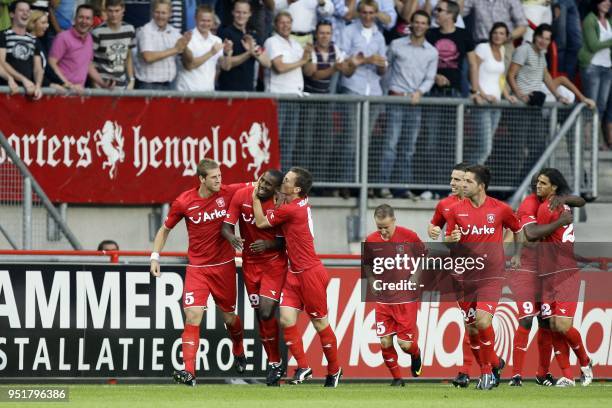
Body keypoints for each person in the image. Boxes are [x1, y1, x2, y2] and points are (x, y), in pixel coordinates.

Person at [150, 159, 249, 386]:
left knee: (229, 317)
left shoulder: (229, 192)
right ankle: (190, 373)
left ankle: (238, 348)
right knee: (193, 316)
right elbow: (165, 230)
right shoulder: (184, 201)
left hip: (224, 266)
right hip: (197, 268)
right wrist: (155, 256)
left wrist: (282, 191)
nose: (219, 180)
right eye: (214, 177)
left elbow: (256, 185)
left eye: (220, 176)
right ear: (202, 179)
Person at [251, 167, 343, 388]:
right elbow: (285, 199)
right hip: (294, 273)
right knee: (286, 320)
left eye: (288, 180)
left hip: (311, 273)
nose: (284, 180)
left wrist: (255, 195)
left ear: (298, 188)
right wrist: (281, 195)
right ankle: (303, 367)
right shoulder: (300, 201)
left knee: (320, 324)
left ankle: (335, 370)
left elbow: (261, 222)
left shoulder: (293, 210)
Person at [445, 165, 521, 390]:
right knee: (473, 329)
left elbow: (517, 229)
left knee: (482, 321)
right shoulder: (455, 210)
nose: (463, 185)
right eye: (462, 181)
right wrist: (452, 238)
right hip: (466, 276)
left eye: (468, 181)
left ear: (481, 186)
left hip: (491, 276)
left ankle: (486, 373)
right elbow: (448, 240)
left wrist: (516, 253)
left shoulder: (500, 209)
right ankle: (496, 363)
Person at [510, 175, 585, 386]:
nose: (537, 185)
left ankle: (542, 373)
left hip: (548, 270)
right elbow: (529, 234)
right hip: (527, 269)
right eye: (535, 182)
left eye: (542, 182)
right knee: (526, 319)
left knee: (546, 323)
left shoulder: (551, 201)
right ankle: (516, 375)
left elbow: (580, 201)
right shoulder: (529, 204)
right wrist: (516, 254)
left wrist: (565, 198)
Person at [222, 169, 288, 386]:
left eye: (269, 185)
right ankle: (273, 364)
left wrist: (267, 244)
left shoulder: (279, 205)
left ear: (276, 190)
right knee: (261, 315)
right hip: (250, 265)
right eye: (262, 181)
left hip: (273, 264)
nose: (263, 186)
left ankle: (276, 362)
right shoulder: (242, 195)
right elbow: (226, 226)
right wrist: (232, 238)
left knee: (268, 310)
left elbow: (283, 241)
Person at [507, 23, 595, 179]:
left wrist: (558, 96)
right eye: (541, 37)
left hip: (535, 107)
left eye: (547, 39)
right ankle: (513, 188)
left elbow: (546, 76)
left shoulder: (541, 54)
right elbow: (511, 74)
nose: (543, 41)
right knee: (516, 150)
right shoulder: (523, 50)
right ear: (535, 36)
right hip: (520, 109)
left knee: (539, 148)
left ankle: (523, 182)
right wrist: (520, 95)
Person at [427, 162, 479, 388]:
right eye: (452, 178)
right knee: (472, 321)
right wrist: (433, 231)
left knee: (476, 321)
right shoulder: (445, 204)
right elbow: (434, 228)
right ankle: (492, 363)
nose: (452, 183)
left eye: (458, 179)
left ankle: (466, 370)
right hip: (459, 269)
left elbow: (507, 227)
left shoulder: (483, 204)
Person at [378, 10, 437, 199]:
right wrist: (386, 95)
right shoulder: (396, 45)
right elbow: (385, 71)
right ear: (411, 24)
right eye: (416, 22)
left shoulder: (432, 52)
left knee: (408, 148)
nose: (419, 26)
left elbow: (430, 78)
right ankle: (383, 186)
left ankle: (401, 188)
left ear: (428, 26)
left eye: (423, 23)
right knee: (390, 145)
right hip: (395, 98)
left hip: (415, 102)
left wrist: (420, 92)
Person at [364, 204, 424, 386]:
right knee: (384, 341)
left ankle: (415, 353)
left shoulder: (409, 236)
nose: (383, 232)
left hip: (405, 299)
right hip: (383, 300)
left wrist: (416, 275)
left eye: (386, 228)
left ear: (394, 221)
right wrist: (372, 280)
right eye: (379, 228)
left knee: (405, 344)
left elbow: (423, 256)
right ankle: (397, 378)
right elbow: (367, 263)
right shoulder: (371, 241)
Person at [263, 11, 312, 171]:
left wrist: (309, 56)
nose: (285, 26)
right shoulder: (272, 41)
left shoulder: (296, 44)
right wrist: (302, 60)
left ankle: (283, 177)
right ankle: (270, 176)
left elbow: (308, 70)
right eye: (282, 22)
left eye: (288, 22)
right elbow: (280, 67)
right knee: (274, 140)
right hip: (278, 97)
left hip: (295, 96)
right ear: (276, 25)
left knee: (289, 141)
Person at [468, 22, 518, 165]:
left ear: (506, 36)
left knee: (484, 148)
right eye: (495, 32)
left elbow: (501, 77)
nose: (498, 36)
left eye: (502, 33)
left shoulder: (502, 50)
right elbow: (473, 71)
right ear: (490, 34)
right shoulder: (482, 48)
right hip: (482, 103)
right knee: (484, 148)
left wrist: (507, 95)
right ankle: (467, 180)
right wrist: (480, 93)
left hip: (496, 105)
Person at [48, 4, 109, 90]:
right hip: (62, 91)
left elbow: (88, 65)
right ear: (75, 19)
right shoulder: (63, 37)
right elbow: (51, 63)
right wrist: (67, 84)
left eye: (88, 18)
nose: (84, 21)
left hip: (79, 92)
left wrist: (103, 84)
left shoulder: (89, 38)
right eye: (81, 17)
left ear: (92, 22)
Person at [134, 0, 191, 90]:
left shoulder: (174, 31)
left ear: (170, 14)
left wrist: (185, 44)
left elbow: (189, 60)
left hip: (170, 85)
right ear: (152, 13)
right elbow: (148, 57)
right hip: (149, 86)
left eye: (164, 13)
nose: (160, 16)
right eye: (157, 12)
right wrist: (175, 49)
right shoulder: (145, 31)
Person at [578, 0, 612, 149]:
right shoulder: (589, 20)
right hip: (592, 67)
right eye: (604, 1)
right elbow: (593, 45)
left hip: (607, 67)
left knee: (602, 106)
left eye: (609, 1)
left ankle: (595, 139)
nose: (607, 3)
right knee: (591, 104)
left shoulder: (610, 20)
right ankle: (586, 139)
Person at [217, 0, 271, 92]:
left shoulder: (253, 35)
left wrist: (253, 51)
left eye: (244, 13)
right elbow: (225, 64)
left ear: (250, 14)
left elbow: (267, 63)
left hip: (248, 90)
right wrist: (248, 53)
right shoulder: (224, 33)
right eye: (238, 12)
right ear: (233, 12)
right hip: (228, 91)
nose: (241, 16)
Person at [176, 5, 229, 92]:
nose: (205, 24)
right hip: (187, 93)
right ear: (195, 19)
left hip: (208, 94)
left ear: (212, 22)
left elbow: (225, 66)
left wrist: (227, 53)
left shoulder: (217, 40)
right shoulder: (187, 38)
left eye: (208, 21)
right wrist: (211, 53)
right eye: (202, 20)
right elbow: (190, 65)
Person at [461, 0, 528, 68]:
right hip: (481, 44)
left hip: (505, 44)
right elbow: (459, 13)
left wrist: (505, 37)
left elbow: (522, 26)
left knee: (503, 76)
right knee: (477, 75)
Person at [0, 1, 43, 99]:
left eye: (28, 11)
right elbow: (2, 62)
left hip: (26, 96)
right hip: (6, 93)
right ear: (12, 14)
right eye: (21, 10)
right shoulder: (3, 35)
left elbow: (38, 68)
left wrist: (38, 86)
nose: (25, 13)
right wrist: (23, 80)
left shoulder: (34, 39)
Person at [91, 0, 136, 90]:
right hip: (101, 85)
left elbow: (129, 56)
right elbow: (90, 61)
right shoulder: (97, 32)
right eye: (110, 11)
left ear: (123, 10)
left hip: (123, 85)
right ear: (106, 11)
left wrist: (131, 80)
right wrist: (95, 84)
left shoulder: (130, 30)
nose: (114, 15)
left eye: (117, 11)